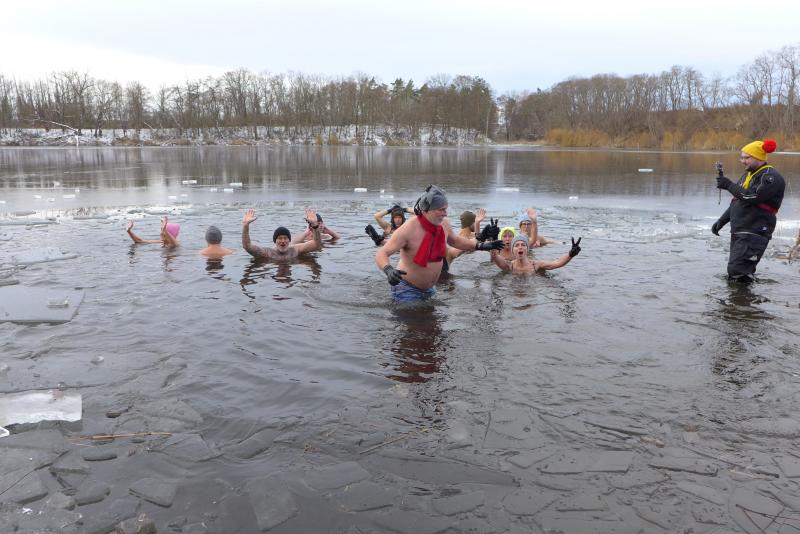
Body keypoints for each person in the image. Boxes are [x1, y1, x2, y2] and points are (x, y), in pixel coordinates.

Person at [375, 185, 504, 302]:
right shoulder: (408, 229)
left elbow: (455, 241)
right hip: (406, 290)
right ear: (428, 210)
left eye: (445, 209)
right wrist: (388, 270)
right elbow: (382, 253)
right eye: (441, 210)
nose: (445, 213)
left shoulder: (444, 224)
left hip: (430, 289)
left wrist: (481, 245)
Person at [712, 138, 785, 284]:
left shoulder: (770, 177)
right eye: (741, 157)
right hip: (741, 229)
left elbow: (752, 197)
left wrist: (728, 185)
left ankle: (743, 297)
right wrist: (721, 221)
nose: (742, 161)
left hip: (756, 230)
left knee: (737, 271)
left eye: (747, 158)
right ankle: (743, 297)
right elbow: (737, 200)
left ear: (758, 157)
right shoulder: (748, 175)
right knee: (737, 271)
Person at [242, 208, 322, 260]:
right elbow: (247, 246)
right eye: (279, 238)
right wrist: (245, 226)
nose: (283, 241)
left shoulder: (295, 250)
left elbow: (316, 244)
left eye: (285, 238)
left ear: (289, 240)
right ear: (275, 241)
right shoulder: (268, 253)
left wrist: (315, 225)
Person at [491, 234, 582, 274]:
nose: (520, 247)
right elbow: (495, 256)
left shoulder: (536, 265)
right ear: (512, 250)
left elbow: (557, 263)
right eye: (517, 245)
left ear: (527, 249)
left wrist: (570, 254)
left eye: (523, 245)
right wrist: (493, 240)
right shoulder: (509, 266)